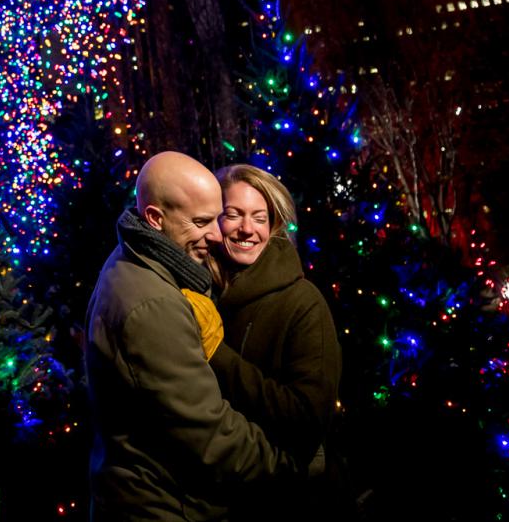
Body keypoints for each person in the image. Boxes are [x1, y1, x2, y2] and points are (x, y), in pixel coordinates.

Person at [84, 151, 294, 520]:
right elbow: (209, 434)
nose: (216, 235)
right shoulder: (152, 304)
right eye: (200, 222)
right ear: (155, 218)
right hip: (163, 508)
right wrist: (289, 465)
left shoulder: (135, 258)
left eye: (217, 218)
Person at [208, 164, 341, 494]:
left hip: (292, 497)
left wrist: (217, 355)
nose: (247, 229)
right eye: (233, 214)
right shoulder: (205, 295)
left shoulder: (302, 302)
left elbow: (307, 420)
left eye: (259, 217)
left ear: (274, 225)